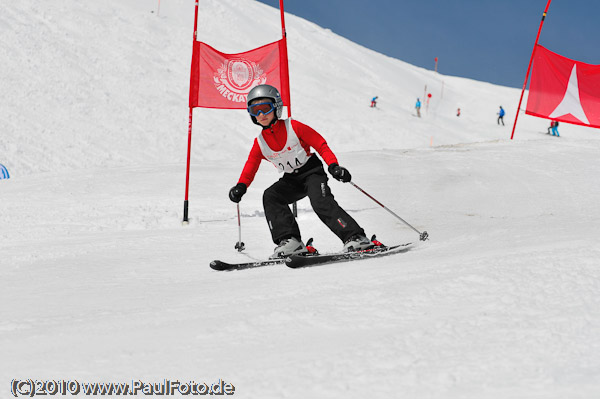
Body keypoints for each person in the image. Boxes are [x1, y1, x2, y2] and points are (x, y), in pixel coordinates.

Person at [228, 84, 372, 259]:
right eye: (255, 110)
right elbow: (250, 167)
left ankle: (356, 237)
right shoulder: (260, 143)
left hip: (312, 172)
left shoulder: (293, 127)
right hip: (291, 180)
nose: (261, 115)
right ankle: (291, 242)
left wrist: (333, 165)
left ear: (277, 107)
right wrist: (241, 186)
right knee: (271, 195)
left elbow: (320, 144)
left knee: (320, 202)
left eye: (265, 108)